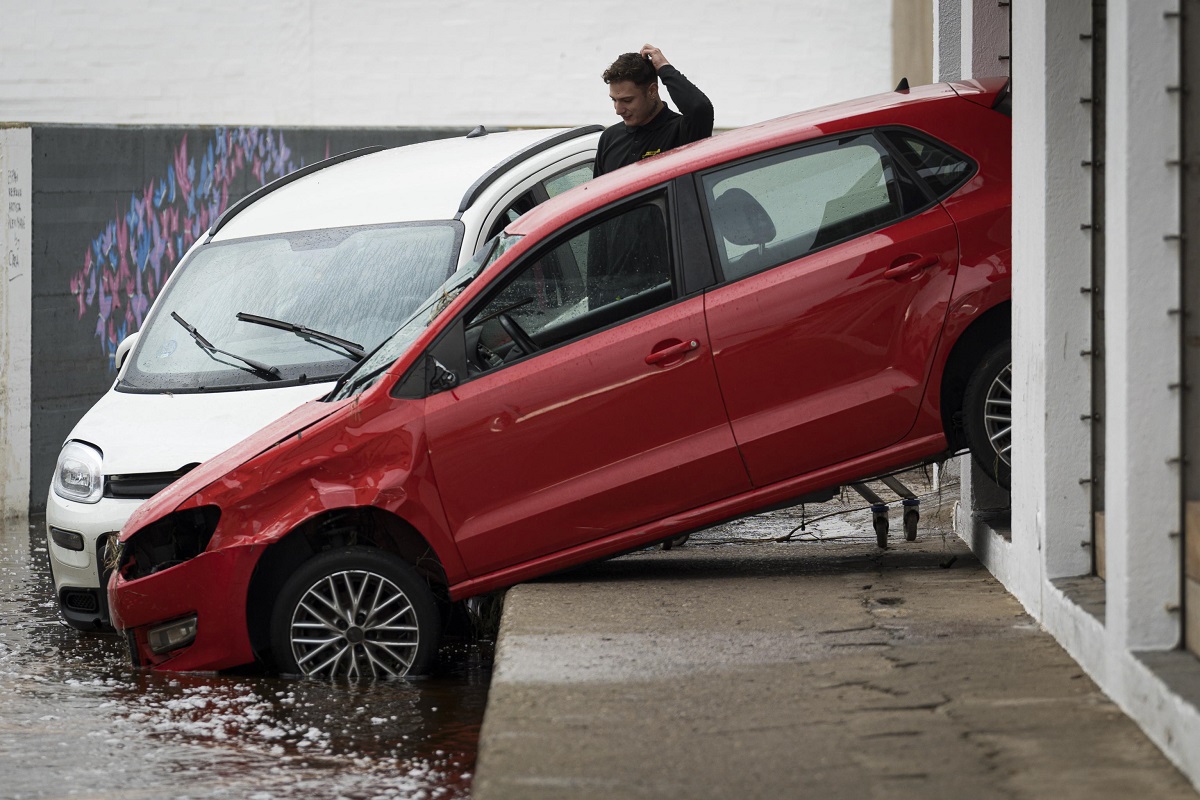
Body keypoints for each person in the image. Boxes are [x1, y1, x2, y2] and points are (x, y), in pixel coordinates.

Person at [595, 44, 714, 176]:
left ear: (652, 91)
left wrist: (664, 68)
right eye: (614, 100)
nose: (618, 110)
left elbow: (699, 107)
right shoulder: (609, 138)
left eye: (627, 100)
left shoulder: (681, 132)